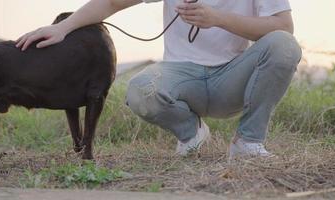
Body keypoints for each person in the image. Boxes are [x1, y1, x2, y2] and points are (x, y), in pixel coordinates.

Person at [16, 0, 302, 160]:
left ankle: (248, 143)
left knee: (284, 44)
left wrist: (218, 18)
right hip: (181, 77)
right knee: (140, 90)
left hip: (231, 78)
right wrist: (62, 28)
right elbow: (111, 2)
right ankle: (191, 133)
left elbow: (283, 26)